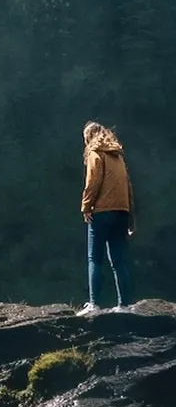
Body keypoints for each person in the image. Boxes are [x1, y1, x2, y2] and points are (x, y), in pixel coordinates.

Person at [79, 121, 135, 314]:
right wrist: (130, 218)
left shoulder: (96, 154)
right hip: (122, 211)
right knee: (119, 259)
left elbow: (92, 182)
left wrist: (86, 207)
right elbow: (128, 188)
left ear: (89, 138)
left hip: (102, 212)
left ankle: (94, 304)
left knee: (94, 257)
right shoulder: (118, 156)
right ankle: (125, 305)